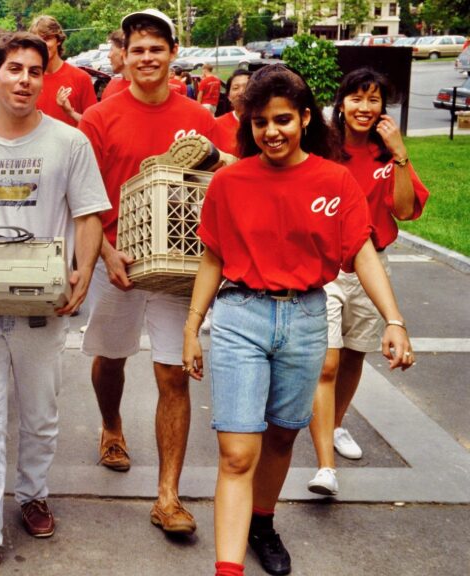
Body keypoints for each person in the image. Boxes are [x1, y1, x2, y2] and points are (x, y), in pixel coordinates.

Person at [182, 64, 415, 576]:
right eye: (261, 122)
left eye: (283, 119)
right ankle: (228, 568)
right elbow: (213, 257)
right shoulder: (230, 181)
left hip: (307, 316)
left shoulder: (334, 180)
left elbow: (362, 252)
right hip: (241, 315)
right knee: (238, 452)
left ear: (305, 118)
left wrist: (393, 320)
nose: (272, 132)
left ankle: (261, 523)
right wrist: (192, 326)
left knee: (283, 436)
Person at [0, 33, 109, 575]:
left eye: (35, 70)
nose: (25, 79)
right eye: (14, 69)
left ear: (44, 78)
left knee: (39, 414)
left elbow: (89, 216)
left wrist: (81, 273)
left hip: (42, 303)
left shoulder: (69, 142)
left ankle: (33, 494)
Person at [77, 8, 215, 535]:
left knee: (171, 372)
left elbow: (213, 191)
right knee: (110, 358)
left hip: (177, 265)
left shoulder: (199, 119)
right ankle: (111, 425)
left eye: (157, 48)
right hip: (120, 260)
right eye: (138, 49)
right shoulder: (100, 117)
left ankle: (168, 497)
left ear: (173, 54)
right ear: (124, 56)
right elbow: (85, 196)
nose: (147, 58)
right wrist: (106, 253)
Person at [306, 67, 429, 496]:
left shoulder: (384, 154)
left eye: (374, 99)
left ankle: (335, 424)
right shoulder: (321, 148)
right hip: (324, 266)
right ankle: (325, 466)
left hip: (370, 266)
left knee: (355, 354)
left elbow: (404, 208)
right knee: (327, 362)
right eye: (357, 98)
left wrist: (399, 153)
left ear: (383, 108)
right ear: (341, 103)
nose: (364, 107)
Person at [28, 15, 97, 125]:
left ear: (58, 40)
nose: (43, 45)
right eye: (38, 41)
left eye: (47, 39)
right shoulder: (29, 81)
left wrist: (70, 112)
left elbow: (94, 124)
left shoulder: (81, 78)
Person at [211, 69, 251, 156]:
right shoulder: (217, 125)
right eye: (235, 88)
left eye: (247, 86)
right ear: (229, 96)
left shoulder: (267, 123)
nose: (241, 92)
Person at [101, 30, 130, 100]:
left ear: (123, 52)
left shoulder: (143, 91)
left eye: (111, 50)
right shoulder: (112, 85)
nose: (109, 55)